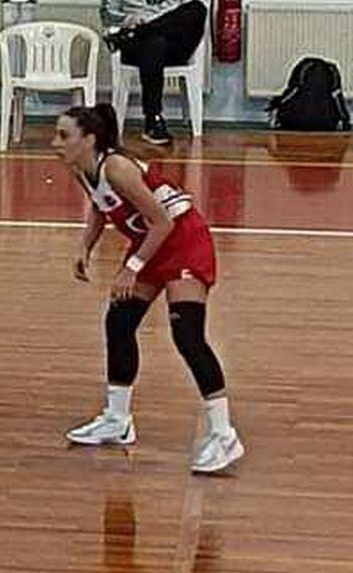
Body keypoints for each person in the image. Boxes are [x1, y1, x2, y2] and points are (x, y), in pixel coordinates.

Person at [53, 104, 242, 474]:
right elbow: (100, 207)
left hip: (183, 239)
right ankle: (117, 419)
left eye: (64, 135)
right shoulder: (82, 168)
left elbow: (163, 221)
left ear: (88, 139)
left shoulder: (117, 167)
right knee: (119, 321)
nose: (55, 143)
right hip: (152, 243)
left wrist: (132, 267)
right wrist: (84, 247)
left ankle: (224, 434)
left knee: (187, 335)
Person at [101, 0, 206, 146]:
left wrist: (151, 26)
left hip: (174, 44)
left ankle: (147, 29)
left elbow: (189, 16)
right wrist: (130, 20)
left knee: (198, 8)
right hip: (136, 45)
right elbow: (107, 13)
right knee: (153, 43)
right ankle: (153, 119)